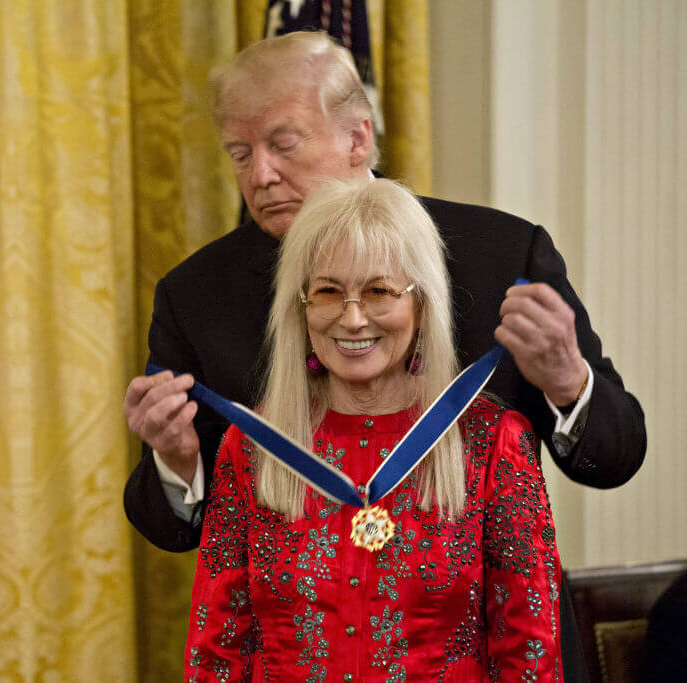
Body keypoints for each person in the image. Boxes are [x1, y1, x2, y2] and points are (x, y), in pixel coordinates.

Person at [123, 31, 645, 680]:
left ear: (358, 137)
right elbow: (174, 531)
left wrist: (570, 384)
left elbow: (618, 455)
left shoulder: (501, 255)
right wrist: (176, 464)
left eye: (283, 144)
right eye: (239, 152)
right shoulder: (195, 295)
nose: (259, 174)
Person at [184, 178, 563, 680]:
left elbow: (529, 655)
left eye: (380, 291)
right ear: (301, 307)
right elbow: (216, 650)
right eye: (328, 292)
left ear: (422, 304)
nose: (353, 317)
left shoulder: (494, 443)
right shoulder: (251, 448)